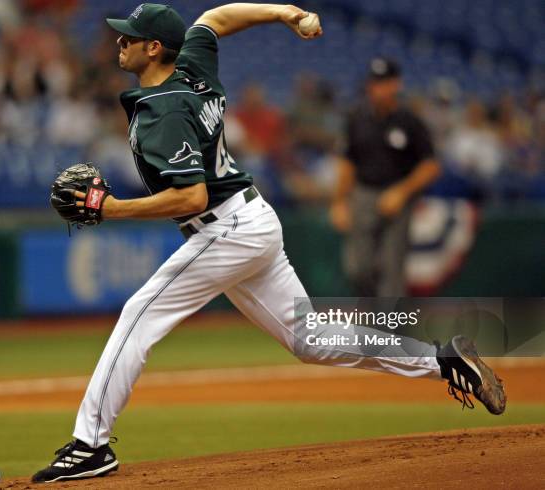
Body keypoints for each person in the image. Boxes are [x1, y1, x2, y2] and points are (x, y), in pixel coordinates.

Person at [32, 5, 505, 483]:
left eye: (129, 37)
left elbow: (191, 194)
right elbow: (214, 19)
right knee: (311, 340)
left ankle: (90, 445)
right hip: (249, 220)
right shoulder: (192, 66)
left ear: (154, 48)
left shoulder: (164, 110)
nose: (120, 42)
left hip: (226, 228)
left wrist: (111, 208)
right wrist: (285, 12)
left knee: (139, 313)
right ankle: (443, 360)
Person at [330, 58, 442, 297]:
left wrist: (402, 191)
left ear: (396, 84)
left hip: (396, 198)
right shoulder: (356, 118)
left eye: (384, 82)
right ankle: (374, 321)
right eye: (374, 82)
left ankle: (391, 331)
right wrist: (339, 202)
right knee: (358, 268)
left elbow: (431, 165)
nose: (378, 88)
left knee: (392, 271)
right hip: (363, 195)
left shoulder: (409, 121)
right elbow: (347, 162)